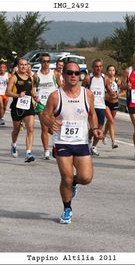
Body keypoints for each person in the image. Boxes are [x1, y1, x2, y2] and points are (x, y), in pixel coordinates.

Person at [41, 61, 102, 224]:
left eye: (77, 73)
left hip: (81, 142)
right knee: (66, 177)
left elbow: (92, 114)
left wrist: (95, 128)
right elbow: (44, 114)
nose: (74, 76)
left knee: (86, 178)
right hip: (62, 142)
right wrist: (49, 122)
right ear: (63, 75)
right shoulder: (56, 95)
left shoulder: (87, 94)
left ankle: (74, 183)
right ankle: (67, 208)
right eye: (70, 73)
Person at [6, 58, 37, 162]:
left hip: (28, 106)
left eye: (25, 64)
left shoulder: (31, 78)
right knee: (16, 130)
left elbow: (32, 90)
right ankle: (14, 144)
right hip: (17, 106)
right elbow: (7, 92)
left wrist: (35, 97)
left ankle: (28, 152)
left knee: (31, 129)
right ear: (18, 66)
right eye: (21, 64)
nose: (24, 66)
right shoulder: (14, 78)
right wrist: (18, 95)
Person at [82, 58, 114, 156]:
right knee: (93, 127)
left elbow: (109, 90)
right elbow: (81, 90)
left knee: (99, 128)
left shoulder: (105, 78)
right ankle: (88, 140)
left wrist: (113, 94)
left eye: (100, 66)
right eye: (96, 67)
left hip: (101, 106)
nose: (98, 68)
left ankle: (94, 147)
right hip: (91, 106)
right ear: (93, 68)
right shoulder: (88, 78)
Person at [33, 53, 62, 159]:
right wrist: (35, 96)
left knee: (53, 127)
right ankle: (46, 150)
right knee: (44, 128)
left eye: (48, 61)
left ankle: (55, 145)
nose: (46, 63)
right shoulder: (36, 75)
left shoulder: (55, 74)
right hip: (41, 104)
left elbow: (60, 87)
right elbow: (33, 88)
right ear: (40, 62)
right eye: (44, 61)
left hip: (53, 104)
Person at [103, 65, 122, 149]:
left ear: (115, 72)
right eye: (110, 70)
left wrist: (119, 94)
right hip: (106, 103)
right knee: (111, 121)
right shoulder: (104, 80)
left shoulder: (118, 81)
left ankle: (103, 135)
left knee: (110, 121)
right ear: (107, 71)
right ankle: (113, 141)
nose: (111, 72)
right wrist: (107, 95)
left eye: (113, 70)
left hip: (115, 103)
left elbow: (124, 90)